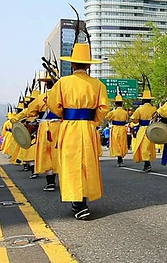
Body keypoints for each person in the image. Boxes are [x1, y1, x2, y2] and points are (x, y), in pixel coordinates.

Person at [47, 43, 109, 220]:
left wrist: (66, 115)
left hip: (69, 126)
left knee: (71, 162)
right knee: (87, 162)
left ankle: (78, 201)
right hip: (88, 127)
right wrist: (93, 120)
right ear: (89, 65)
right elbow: (104, 108)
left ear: (73, 64)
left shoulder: (62, 83)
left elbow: (53, 105)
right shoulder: (98, 85)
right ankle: (82, 199)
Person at [36, 74, 61, 192]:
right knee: (59, 152)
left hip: (45, 127)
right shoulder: (61, 97)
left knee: (46, 153)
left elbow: (30, 111)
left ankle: (50, 182)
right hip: (59, 127)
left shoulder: (40, 98)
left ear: (46, 84)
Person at [130, 89, 158, 172]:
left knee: (144, 146)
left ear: (143, 100)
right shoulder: (154, 109)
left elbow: (134, 119)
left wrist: (136, 122)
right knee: (149, 145)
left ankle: (147, 163)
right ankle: (148, 161)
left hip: (143, 128)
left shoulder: (139, 109)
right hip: (152, 128)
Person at [106, 94, 129, 167]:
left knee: (116, 143)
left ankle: (119, 158)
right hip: (122, 128)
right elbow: (127, 119)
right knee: (122, 143)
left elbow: (107, 117)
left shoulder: (113, 112)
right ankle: (121, 157)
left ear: (115, 104)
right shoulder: (125, 112)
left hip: (115, 128)